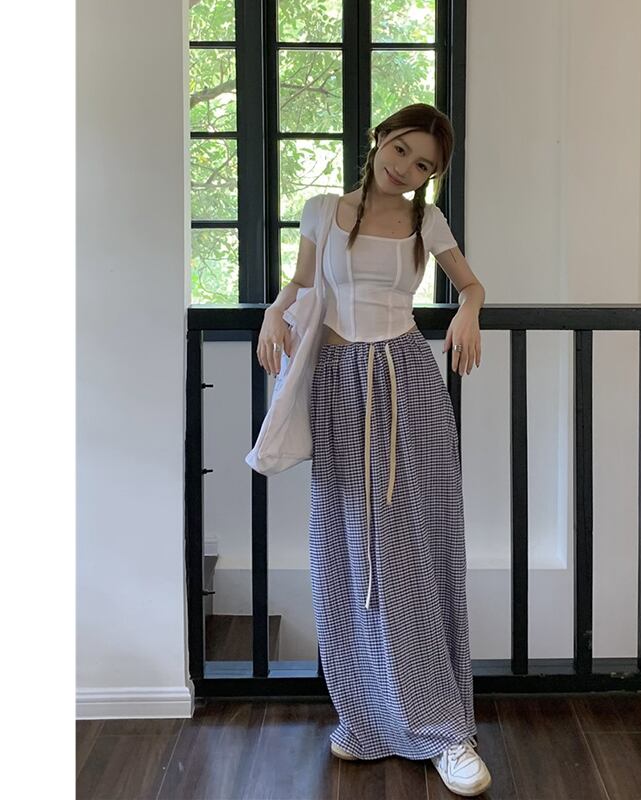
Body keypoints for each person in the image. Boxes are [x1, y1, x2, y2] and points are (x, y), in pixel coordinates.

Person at [257, 103, 491, 797]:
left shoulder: (426, 222)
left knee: (417, 540)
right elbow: (302, 285)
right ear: (379, 138)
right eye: (401, 149)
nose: (406, 169)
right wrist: (273, 311)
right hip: (338, 382)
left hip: (408, 381)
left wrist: (469, 312)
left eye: (423, 165)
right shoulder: (322, 210)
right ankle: (367, 716)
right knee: (347, 544)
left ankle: (445, 729)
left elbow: (471, 284)